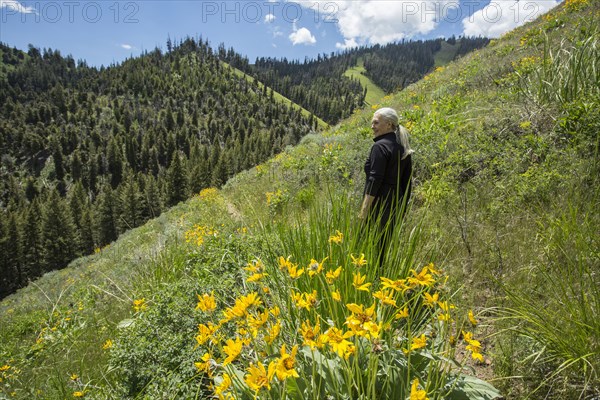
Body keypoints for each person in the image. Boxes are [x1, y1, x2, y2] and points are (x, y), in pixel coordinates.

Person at [358, 107, 414, 266]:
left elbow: (374, 181)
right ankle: (380, 281)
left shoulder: (379, 147)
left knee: (367, 250)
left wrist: (364, 210)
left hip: (377, 207)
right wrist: (402, 211)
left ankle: (368, 284)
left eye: (376, 122)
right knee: (382, 250)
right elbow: (407, 184)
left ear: (389, 124)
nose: (372, 126)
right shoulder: (403, 149)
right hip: (394, 207)